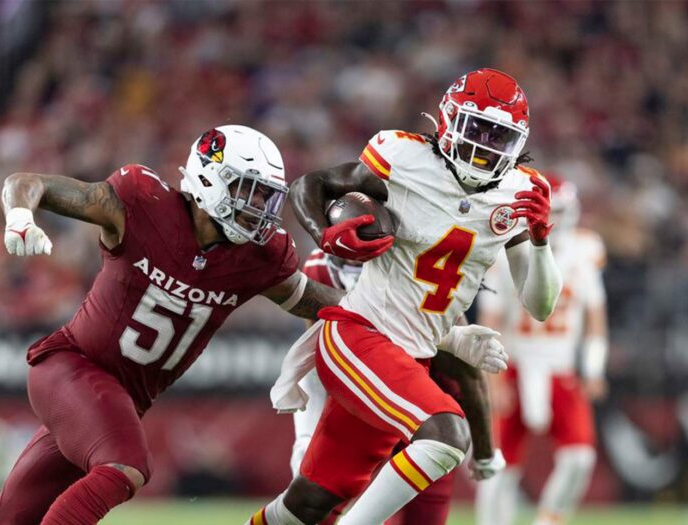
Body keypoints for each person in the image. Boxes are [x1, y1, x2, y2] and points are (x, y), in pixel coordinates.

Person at [0, 125, 344, 525]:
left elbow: (315, 300)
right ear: (209, 178)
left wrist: (380, 304)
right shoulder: (141, 202)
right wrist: (20, 215)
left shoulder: (259, 257)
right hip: (71, 366)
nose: (258, 207)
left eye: (265, 196)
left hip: (116, 401)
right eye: (248, 190)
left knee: (5, 521)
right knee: (124, 466)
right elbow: (26, 182)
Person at [252, 68, 562, 525]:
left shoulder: (519, 191)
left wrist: (539, 241)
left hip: (411, 357)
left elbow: (539, 305)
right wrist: (325, 234)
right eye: (477, 129)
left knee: (309, 504)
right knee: (446, 434)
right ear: (449, 120)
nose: (485, 145)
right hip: (359, 336)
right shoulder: (404, 157)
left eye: (499, 136)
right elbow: (309, 186)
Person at [291, 249, 504, 525]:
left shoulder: (421, 270)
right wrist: (305, 436)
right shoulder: (321, 267)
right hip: (363, 406)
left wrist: (485, 450)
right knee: (314, 507)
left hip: (427, 414)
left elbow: (468, 376)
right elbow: (317, 356)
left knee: (424, 515)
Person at [475, 175, 607, 525]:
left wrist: (593, 367)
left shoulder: (585, 250)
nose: (556, 222)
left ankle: (548, 520)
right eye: (551, 213)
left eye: (561, 213)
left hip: (561, 367)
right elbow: (491, 319)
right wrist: (493, 378)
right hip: (515, 364)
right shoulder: (508, 250)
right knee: (497, 463)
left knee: (580, 456)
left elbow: (595, 317)